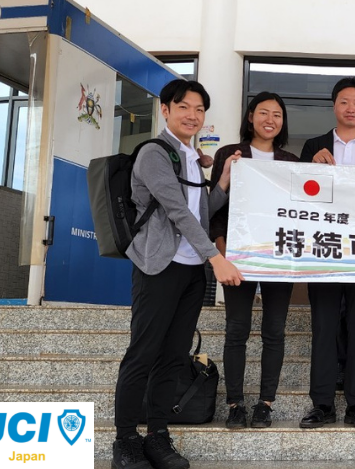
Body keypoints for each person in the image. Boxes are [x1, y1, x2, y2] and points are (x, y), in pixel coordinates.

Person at [112, 80, 243, 469]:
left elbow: (200, 212)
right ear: (165, 109)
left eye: (199, 109)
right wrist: (215, 257)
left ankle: (158, 435)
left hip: (190, 273)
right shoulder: (155, 153)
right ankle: (125, 441)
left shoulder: (191, 156)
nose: (192, 115)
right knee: (143, 353)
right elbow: (176, 210)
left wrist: (222, 179)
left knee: (173, 357)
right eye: (184, 107)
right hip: (159, 267)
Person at [297, 77, 355, 430]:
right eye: (345, 102)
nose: (351, 109)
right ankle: (321, 404)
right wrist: (309, 168)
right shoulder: (314, 146)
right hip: (324, 248)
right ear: (334, 105)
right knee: (323, 326)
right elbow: (299, 196)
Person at [208, 92, 298, 429]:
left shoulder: (290, 161)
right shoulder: (229, 154)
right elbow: (215, 211)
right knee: (236, 331)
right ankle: (235, 404)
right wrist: (222, 252)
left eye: (277, 114)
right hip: (238, 255)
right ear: (250, 116)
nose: (270, 120)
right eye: (263, 112)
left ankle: (265, 403)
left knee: (274, 331)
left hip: (278, 255)